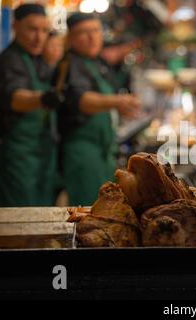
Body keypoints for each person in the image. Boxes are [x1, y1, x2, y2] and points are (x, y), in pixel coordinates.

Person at [55, 13, 140, 206]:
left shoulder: (96, 62)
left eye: (95, 31)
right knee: (90, 211)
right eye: (83, 33)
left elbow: (104, 101)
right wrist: (117, 101)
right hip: (84, 153)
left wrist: (120, 108)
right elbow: (81, 100)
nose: (91, 37)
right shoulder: (70, 64)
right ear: (70, 38)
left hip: (103, 150)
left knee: (107, 207)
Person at [0, 3, 61, 206]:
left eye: (44, 30)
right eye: (32, 29)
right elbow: (15, 97)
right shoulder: (8, 61)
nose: (39, 37)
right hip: (16, 158)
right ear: (15, 26)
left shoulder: (37, 60)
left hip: (42, 155)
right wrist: (42, 98)